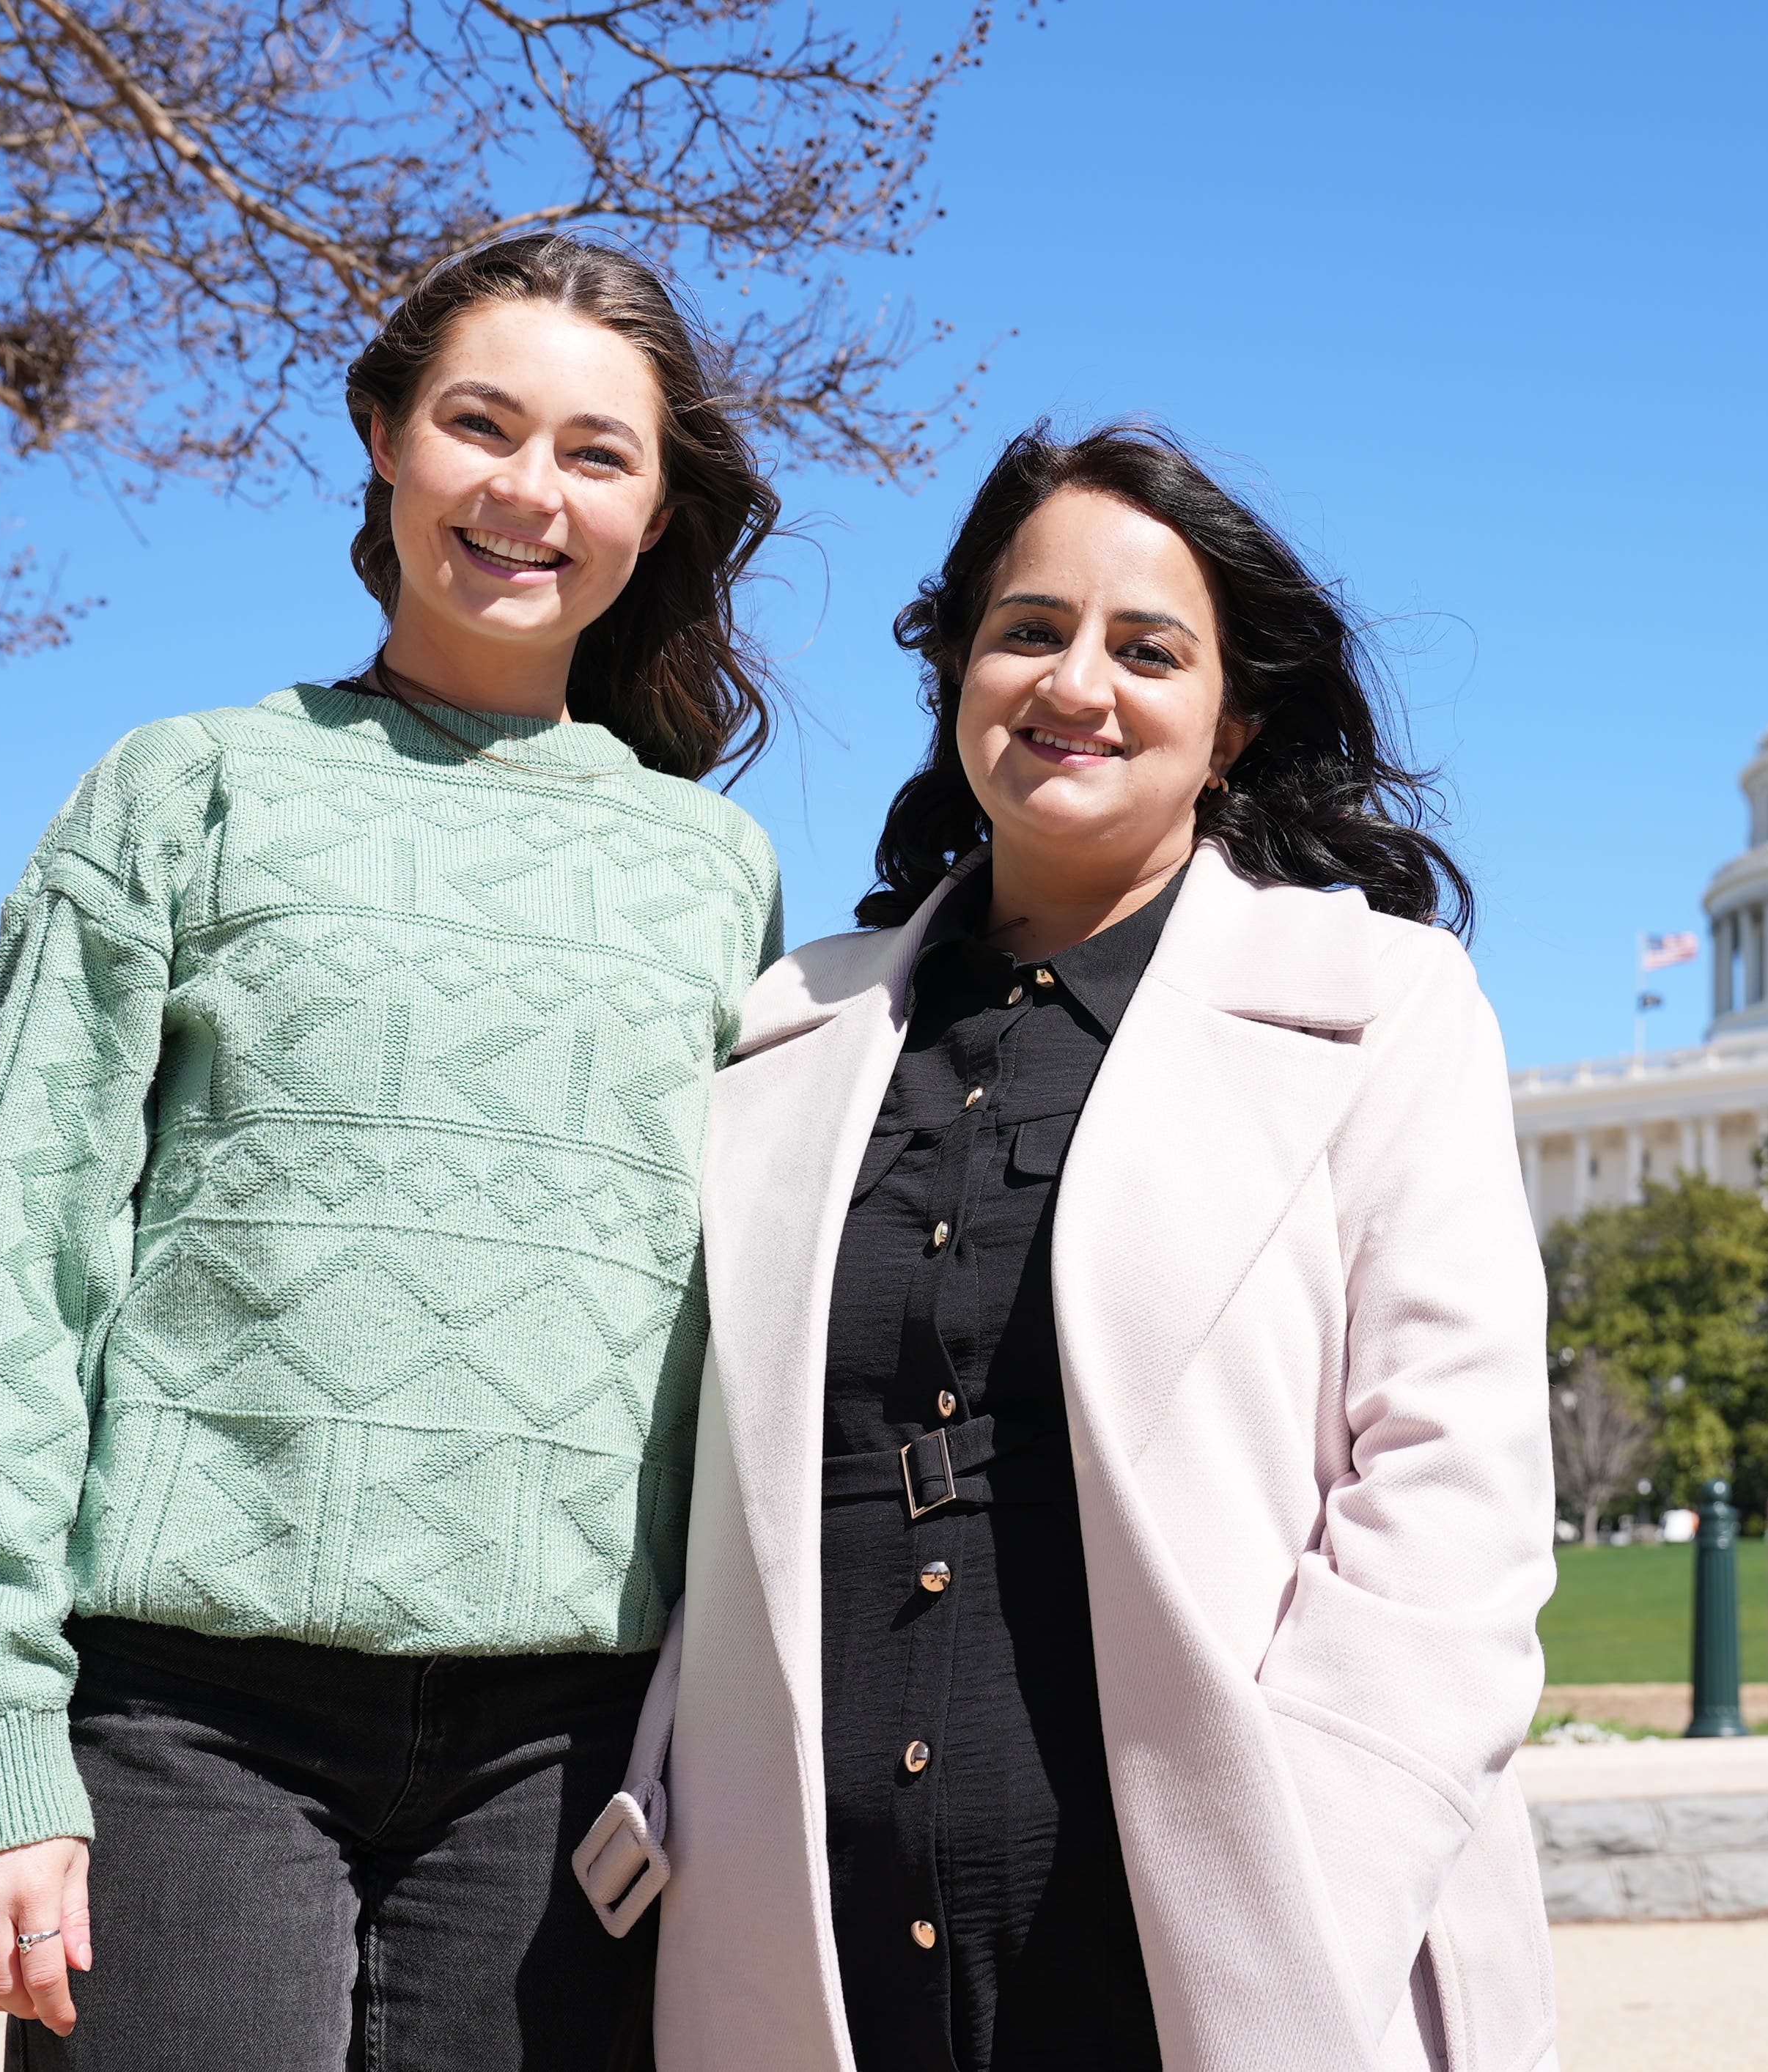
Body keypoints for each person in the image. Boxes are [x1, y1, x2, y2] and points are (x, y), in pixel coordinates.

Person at [0, 233, 786, 2068]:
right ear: (385, 435)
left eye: (598, 452)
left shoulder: (718, 874)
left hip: (570, 1750)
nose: (529, 490)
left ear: (656, 507)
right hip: (188, 1721)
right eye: (480, 423)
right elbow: (24, 1270)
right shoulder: (187, 787)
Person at [616, 423, 1558, 2072]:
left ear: (1232, 721)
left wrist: (1297, 1876)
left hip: (1209, 1953)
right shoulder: (780, 1033)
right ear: (958, 671)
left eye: (1149, 649)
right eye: (1028, 630)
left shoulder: (1379, 1007)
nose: (1077, 683)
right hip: (809, 1950)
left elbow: (1449, 1498)